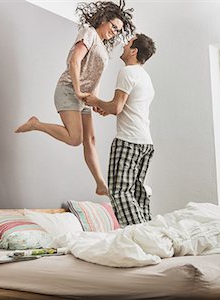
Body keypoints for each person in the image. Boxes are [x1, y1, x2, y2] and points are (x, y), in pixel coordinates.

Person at [15, 1, 135, 196]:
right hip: (69, 90)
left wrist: (95, 101)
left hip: (84, 98)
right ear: (104, 20)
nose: (114, 32)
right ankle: (36, 124)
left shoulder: (103, 47)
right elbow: (74, 60)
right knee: (75, 139)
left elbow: (94, 75)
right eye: (113, 26)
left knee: (91, 139)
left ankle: (100, 185)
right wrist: (79, 91)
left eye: (118, 30)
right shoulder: (89, 33)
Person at [84, 33, 156, 226]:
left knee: (119, 192)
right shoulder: (144, 76)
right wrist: (106, 108)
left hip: (128, 141)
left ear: (134, 51)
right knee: (137, 192)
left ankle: (142, 235)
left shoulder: (127, 72)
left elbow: (117, 107)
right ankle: (151, 232)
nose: (124, 45)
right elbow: (124, 106)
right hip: (146, 143)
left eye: (128, 43)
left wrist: (95, 101)